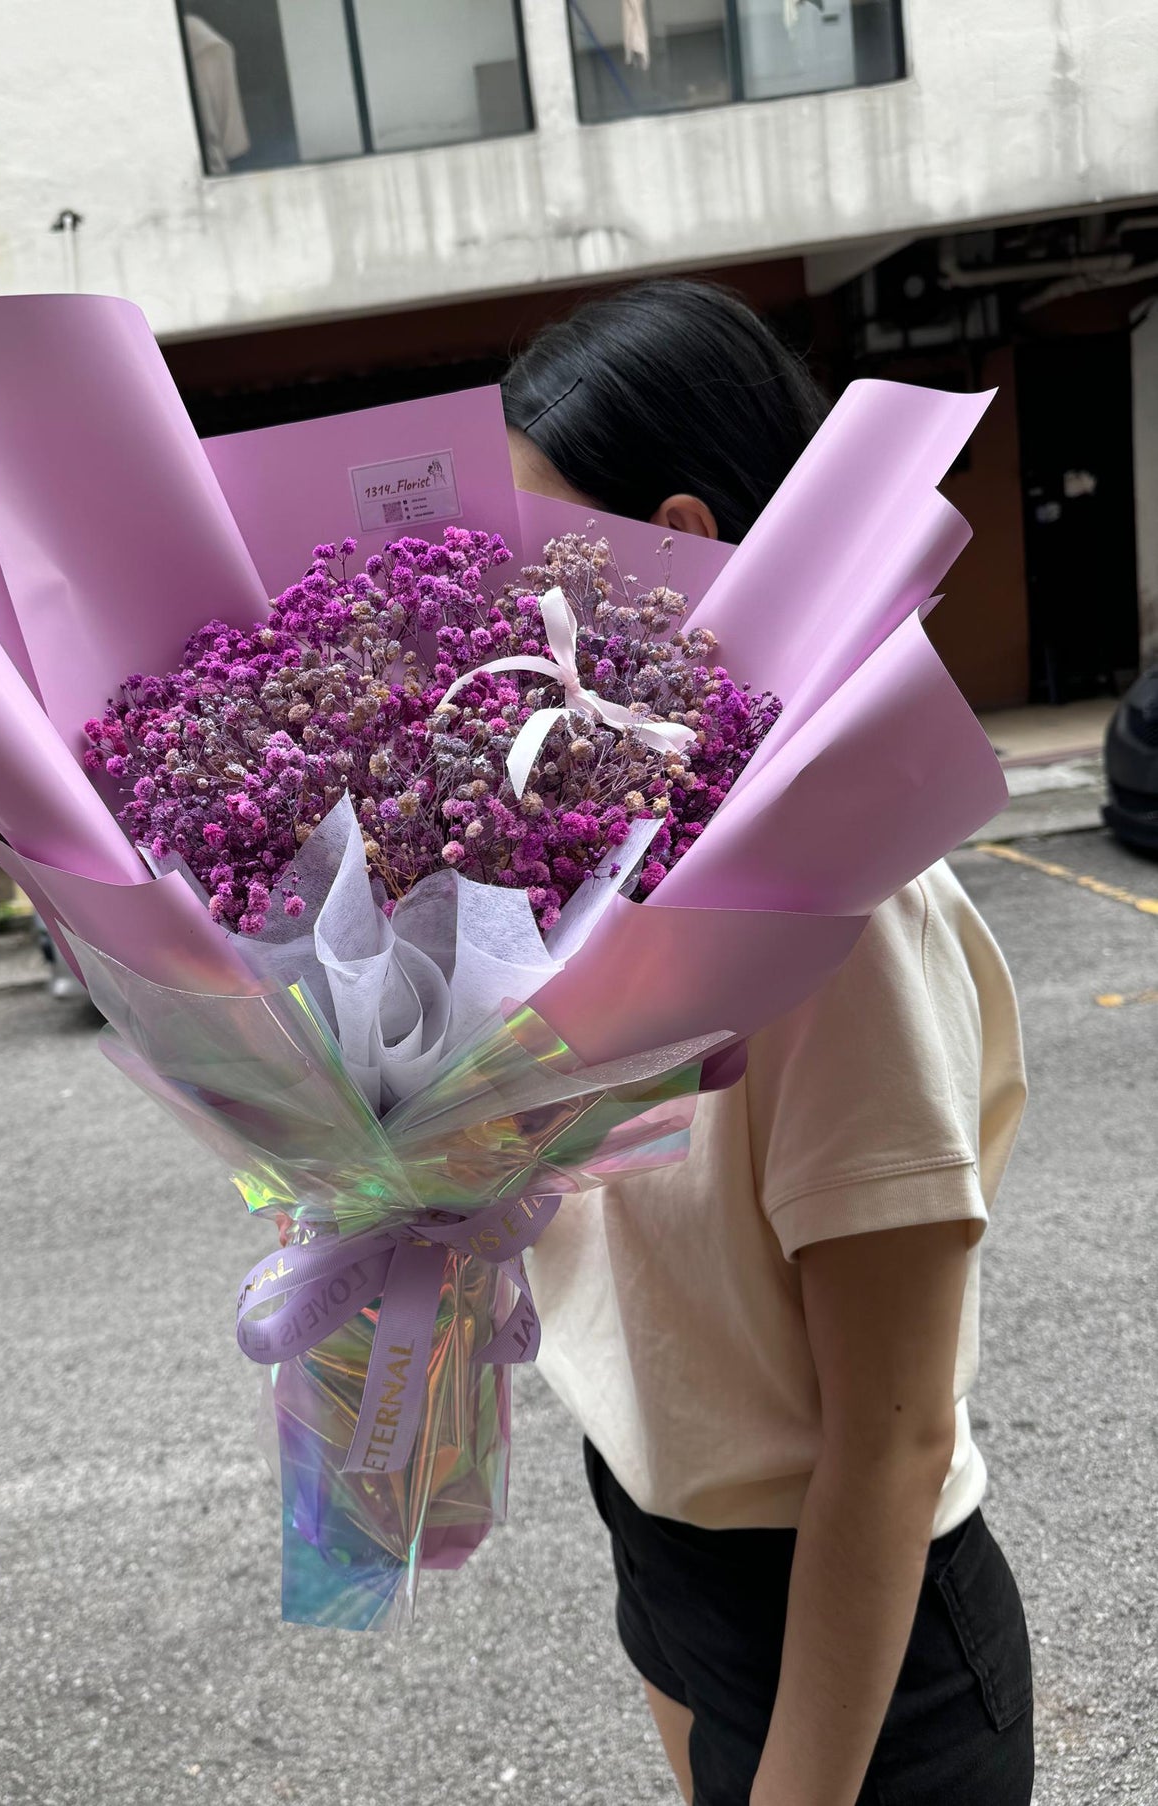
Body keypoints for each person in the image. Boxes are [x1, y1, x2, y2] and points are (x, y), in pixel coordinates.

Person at [505, 280, 1034, 1806]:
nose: (491, 592)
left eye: (525, 537)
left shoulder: (842, 913)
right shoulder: (595, 869)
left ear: (675, 531)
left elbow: (893, 1442)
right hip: (670, 1560)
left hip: (863, 1651)